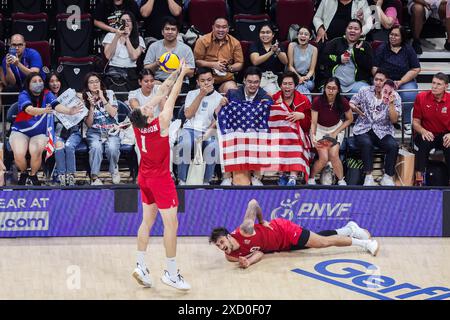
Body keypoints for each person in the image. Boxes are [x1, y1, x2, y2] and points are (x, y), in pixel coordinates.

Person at [129, 60, 191, 290]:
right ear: (147, 117)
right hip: (161, 180)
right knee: (171, 225)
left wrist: (174, 71)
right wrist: (183, 74)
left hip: (144, 178)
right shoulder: (161, 123)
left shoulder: (137, 124)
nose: (148, 106)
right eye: (146, 109)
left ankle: (141, 264)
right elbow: (171, 96)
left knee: (146, 221)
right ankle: (171, 273)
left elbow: (161, 91)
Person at [209, 199, 379, 269]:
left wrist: (261, 221)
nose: (222, 247)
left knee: (321, 243)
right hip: (281, 245)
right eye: (218, 246)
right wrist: (248, 262)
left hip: (285, 231)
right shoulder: (230, 256)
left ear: (229, 236)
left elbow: (253, 203)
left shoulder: (245, 229)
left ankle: (365, 244)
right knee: (318, 238)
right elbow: (259, 252)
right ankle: (350, 229)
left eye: (222, 242)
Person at [10, 72, 83, 186]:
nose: (38, 83)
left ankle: (33, 175)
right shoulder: (23, 94)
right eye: (34, 81)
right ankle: (24, 173)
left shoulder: (47, 94)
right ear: (28, 84)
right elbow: (29, 110)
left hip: (39, 132)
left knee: (36, 151)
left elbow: (56, 106)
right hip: (21, 131)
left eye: (40, 81)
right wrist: (45, 110)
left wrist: (69, 111)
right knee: (19, 153)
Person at [219, 66, 273, 186]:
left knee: (265, 139)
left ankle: (257, 177)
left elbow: (270, 119)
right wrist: (220, 105)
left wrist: (269, 106)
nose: (252, 85)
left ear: (260, 82)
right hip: (235, 133)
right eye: (249, 82)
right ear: (244, 81)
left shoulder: (266, 97)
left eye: (256, 82)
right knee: (223, 137)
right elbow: (218, 115)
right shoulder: (232, 94)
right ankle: (227, 176)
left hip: (255, 134)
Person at [349, 70, 401, 186]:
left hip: (382, 130)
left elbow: (394, 120)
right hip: (363, 127)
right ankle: (368, 176)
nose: (377, 82)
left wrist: (391, 104)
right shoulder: (365, 90)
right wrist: (356, 109)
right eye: (376, 79)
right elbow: (351, 102)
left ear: (387, 82)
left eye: (381, 80)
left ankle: (387, 176)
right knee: (366, 143)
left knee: (393, 146)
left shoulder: (395, 96)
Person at [177, 67, 221, 185]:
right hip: (190, 128)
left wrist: (206, 135)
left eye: (209, 79)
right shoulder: (191, 94)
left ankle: (206, 180)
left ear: (213, 80)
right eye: (202, 80)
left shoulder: (219, 98)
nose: (206, 83)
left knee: (213, 146)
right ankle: (182, 179)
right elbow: (188, 114)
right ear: (197, 82)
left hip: (208, 130)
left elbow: (216, 121)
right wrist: (201, 95)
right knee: (184, 143)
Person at [373, 26, 421, 127]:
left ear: (402, 37)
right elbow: (374, 68)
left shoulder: (408, 49)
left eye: (396, 35)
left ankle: (407, 121)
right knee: (381, 92)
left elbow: (416, 69)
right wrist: (384, 81)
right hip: (384, 81)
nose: (392, 37)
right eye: (391, 34)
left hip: (404, 81)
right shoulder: (382, 48)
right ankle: (383, 120)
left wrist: (401, 81)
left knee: (409, 94)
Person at [310, 77, 353, 185]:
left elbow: (350, 119)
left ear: (338, 90)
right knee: (324, 158)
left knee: (334, 154)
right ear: (324, 89)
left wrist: (335, 132)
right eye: (328, 88)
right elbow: (314, 123)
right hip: (320, 129)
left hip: (335, 128)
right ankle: (310, 178)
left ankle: (341, 180)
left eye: (334, 88)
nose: (331, 91)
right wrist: (313, 136)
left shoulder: (342, 101)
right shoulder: (317, 101)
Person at [272, 71, 312, 186]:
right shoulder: (274, 98)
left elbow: (309, 123)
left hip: (300, 135)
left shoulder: (304, 100)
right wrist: (277, 106)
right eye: (285, 84)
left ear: (295, 85)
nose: (287, 87)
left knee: (295, 138)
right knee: (278, 141)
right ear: (280, 85)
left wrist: (302, 116)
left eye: (290, 84)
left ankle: (293, 177)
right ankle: (282, 174)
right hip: (278, 135)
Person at [82, 73, 121, 186]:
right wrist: (92, 106)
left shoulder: (109, 93)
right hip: (94, 131)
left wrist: (102, 97)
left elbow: (113, 114)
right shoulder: (84, 99)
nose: (94, 84)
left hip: (111, 130)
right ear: (87, 85)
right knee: (96, 147)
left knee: (112, 148)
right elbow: (89, 124)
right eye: (91, 82)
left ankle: (114, 170)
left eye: (96, 81)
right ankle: (94, 177)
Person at [412, 72, 450, 186]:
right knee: (423, 142)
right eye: (433, 83)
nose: (434, 86)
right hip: (427, 132)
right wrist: (423, 131)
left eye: (438, 84)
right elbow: (415, 122)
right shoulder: (421, 97)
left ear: (446, 86)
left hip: (445, 134)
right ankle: (419, 178)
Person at [46, 72, 83, 186]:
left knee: (69, 146)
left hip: (73, 131)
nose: (55, 84)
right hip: (56, 132)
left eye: (57, 81)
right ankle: (61, 176)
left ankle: (71, 176)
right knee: (59, 146)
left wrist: (80, 95)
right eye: (51, 81)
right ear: (48, 84)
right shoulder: (46, 97)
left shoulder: (69, 94)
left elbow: (82, 98)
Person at [321, 19, 373, 96]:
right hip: (334, 83)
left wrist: (357, 53)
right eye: (350, 28)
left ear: (361, 32)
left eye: (356, 29)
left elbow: (368, 66)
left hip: (356, 84)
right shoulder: (336, 42)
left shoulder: (365, 46)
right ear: (345, 30)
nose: (352, 30)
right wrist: (339, 59)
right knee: (325, 95)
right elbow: (323, 58)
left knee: (369, 94)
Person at [143, 16, 195, 93]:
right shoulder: (154, 46)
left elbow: (191, 73)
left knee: (173, 89)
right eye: (167, 29)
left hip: (179, 81)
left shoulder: (186, 49)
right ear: (162, 32)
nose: (170, 32)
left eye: (173, 29)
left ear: (177, 33)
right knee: (154, 86)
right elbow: (146, 68)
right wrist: (157, 64)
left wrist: (180, 68)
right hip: (159, 81)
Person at [194, 17, 244, 94]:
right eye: (218, 27)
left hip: (225, 79)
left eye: (224, 27)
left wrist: (228, 68)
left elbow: (240, 63)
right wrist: (213, 65)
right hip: (206, 79)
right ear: (213, 28)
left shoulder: (235, 43)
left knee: (232, 90)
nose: (221, 30)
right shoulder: (202, 40)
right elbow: (197, 61)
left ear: (228, 29)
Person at [102, 11, 146, 92]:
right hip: (114, 72)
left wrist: (127, 38)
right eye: (123, 20)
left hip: (131, 73)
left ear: (133, 23)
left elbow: (134, 57)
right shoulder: (110, 36)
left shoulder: (139, 39)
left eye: (128, 20)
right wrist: (117, 36)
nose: (125, 23)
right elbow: (108, 55)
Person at [1, 34, 45, 107]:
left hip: (36, 84)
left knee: (32, 85)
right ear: (10, 45)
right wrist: (8, 67)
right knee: (9, 88)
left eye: (20, 45)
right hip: (19, 86)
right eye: (14, 45)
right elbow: (12, 82)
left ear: (24, 45)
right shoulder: (6, 59)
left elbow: (34, 74)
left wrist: (18, 64)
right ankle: (8, 114)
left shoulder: (33, 54)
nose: (17, 48)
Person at [249, 23, 288, 95]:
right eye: (262, 32)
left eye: (268, 32)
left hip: (273, 78)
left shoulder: (278, 45)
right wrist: (271, 52)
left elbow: (285, 61)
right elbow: (255, 61)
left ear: (273, 35)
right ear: (259, 34)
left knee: (271, 92)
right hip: (257, 77)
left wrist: (277, 51)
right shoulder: (255, 45)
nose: (265, 35)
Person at [287, 26, 318, 101]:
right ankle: (307, 105)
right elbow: (290, 66)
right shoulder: (292, 46)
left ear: (310, 37)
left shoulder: (314, 49)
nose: (303, 36)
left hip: (308, 79)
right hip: (294, 76)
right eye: (301, 33)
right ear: (297, 35)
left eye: (306, 34)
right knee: (301, 87)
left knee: (302, 86)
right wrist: (299, 78)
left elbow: (312, 70)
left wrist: (305, 78)